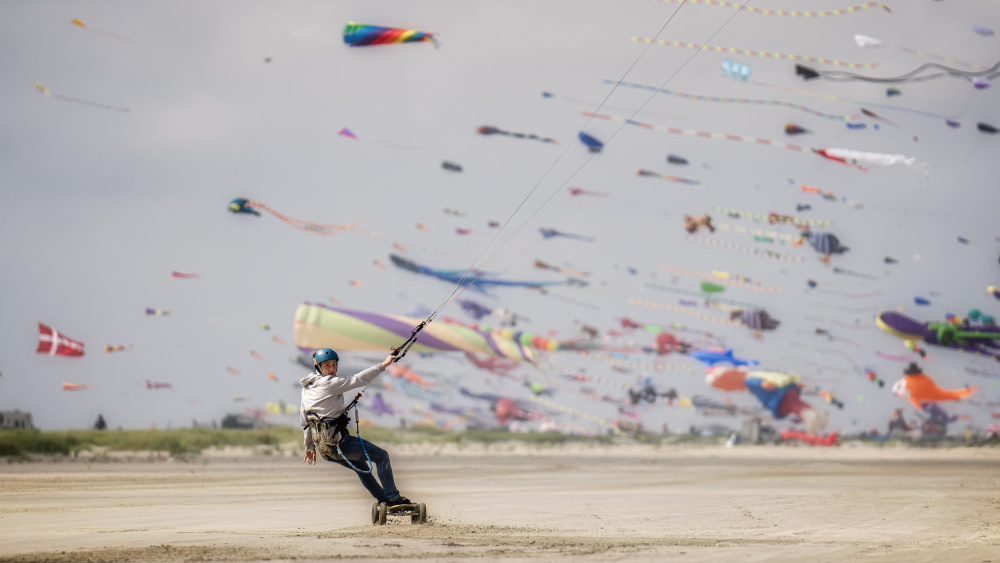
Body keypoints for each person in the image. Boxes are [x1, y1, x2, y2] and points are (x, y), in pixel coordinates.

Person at [300, 348, 412, 506]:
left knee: (361, 467)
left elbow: (305, 421)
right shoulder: (330, 383)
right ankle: (393, 497)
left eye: (334, 365)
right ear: (318, 367)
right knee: (381, 456)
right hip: (339, 443)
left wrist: (309, 446)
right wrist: (384, 364)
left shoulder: (307, 388)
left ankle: (383, 499)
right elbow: (358, 379)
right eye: (327, 366)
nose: (331, 369)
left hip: (325, 449)